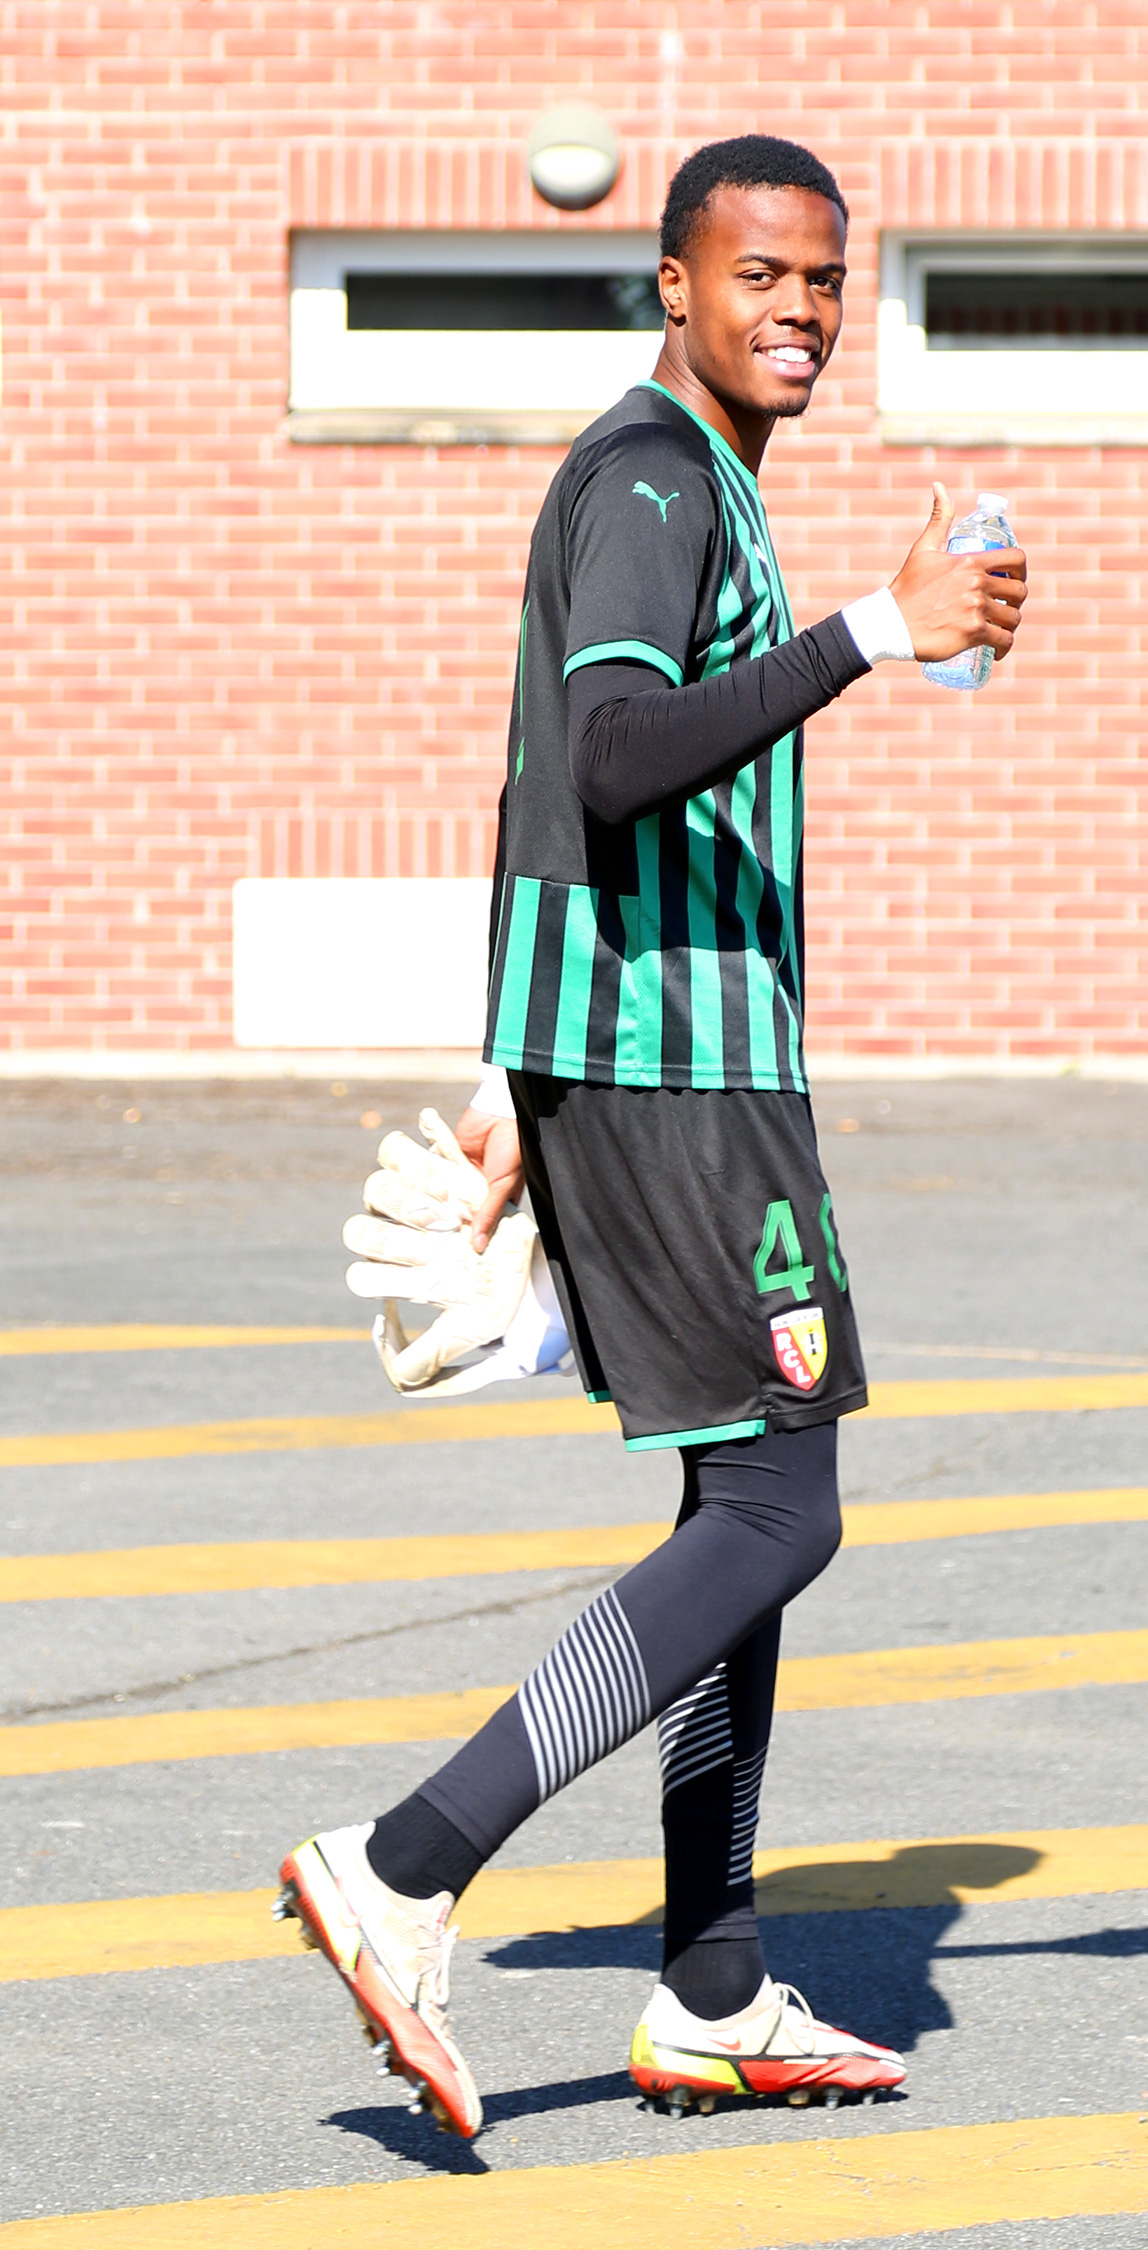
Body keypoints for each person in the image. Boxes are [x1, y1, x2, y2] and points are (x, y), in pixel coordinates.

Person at [275, 133, 1027, 2140]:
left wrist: (528, 1106)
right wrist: (875, 627)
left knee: (736, 1526)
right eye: (754, 273)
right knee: (787, 1516)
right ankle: (407, 1862)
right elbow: (605, 759)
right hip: (678, 1088)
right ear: (672, 289)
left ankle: (707, 1986)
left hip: (663, 1076)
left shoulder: (711, 490)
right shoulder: (649, 478)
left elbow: (558, 794)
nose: (793, 306)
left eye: (818, 281)